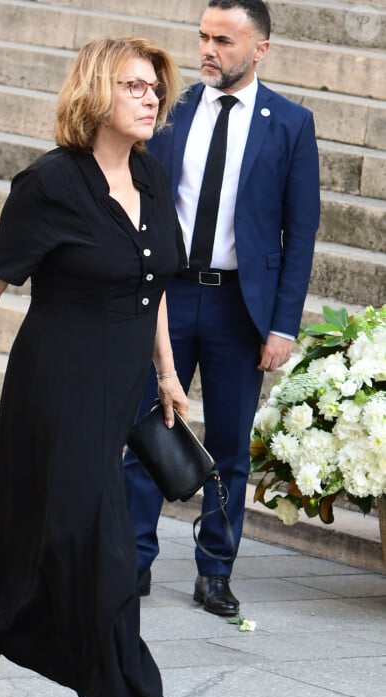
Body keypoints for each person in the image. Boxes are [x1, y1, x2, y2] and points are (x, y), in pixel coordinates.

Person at [0, 37, 205, 697]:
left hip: (118, 393)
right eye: (135, 86)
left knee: (23, 536)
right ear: (96, 93)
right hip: (56, 388)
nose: (150, 99)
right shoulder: (50, 182)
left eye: (155, 89)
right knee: (104, 548)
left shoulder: (151, 174)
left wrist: (168, 373)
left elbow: (156, 282)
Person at [124, 0, 320, 613]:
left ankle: (215, 569)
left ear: (260, 49)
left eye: (225, 41)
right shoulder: (170, 108)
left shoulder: (289, 122)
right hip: (169, 298)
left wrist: (283, 325)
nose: (209, 50)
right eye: (204, 37)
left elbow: (301, 230)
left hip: (241, 307)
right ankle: (132, 559)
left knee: (230, 447)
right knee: (149, 429)